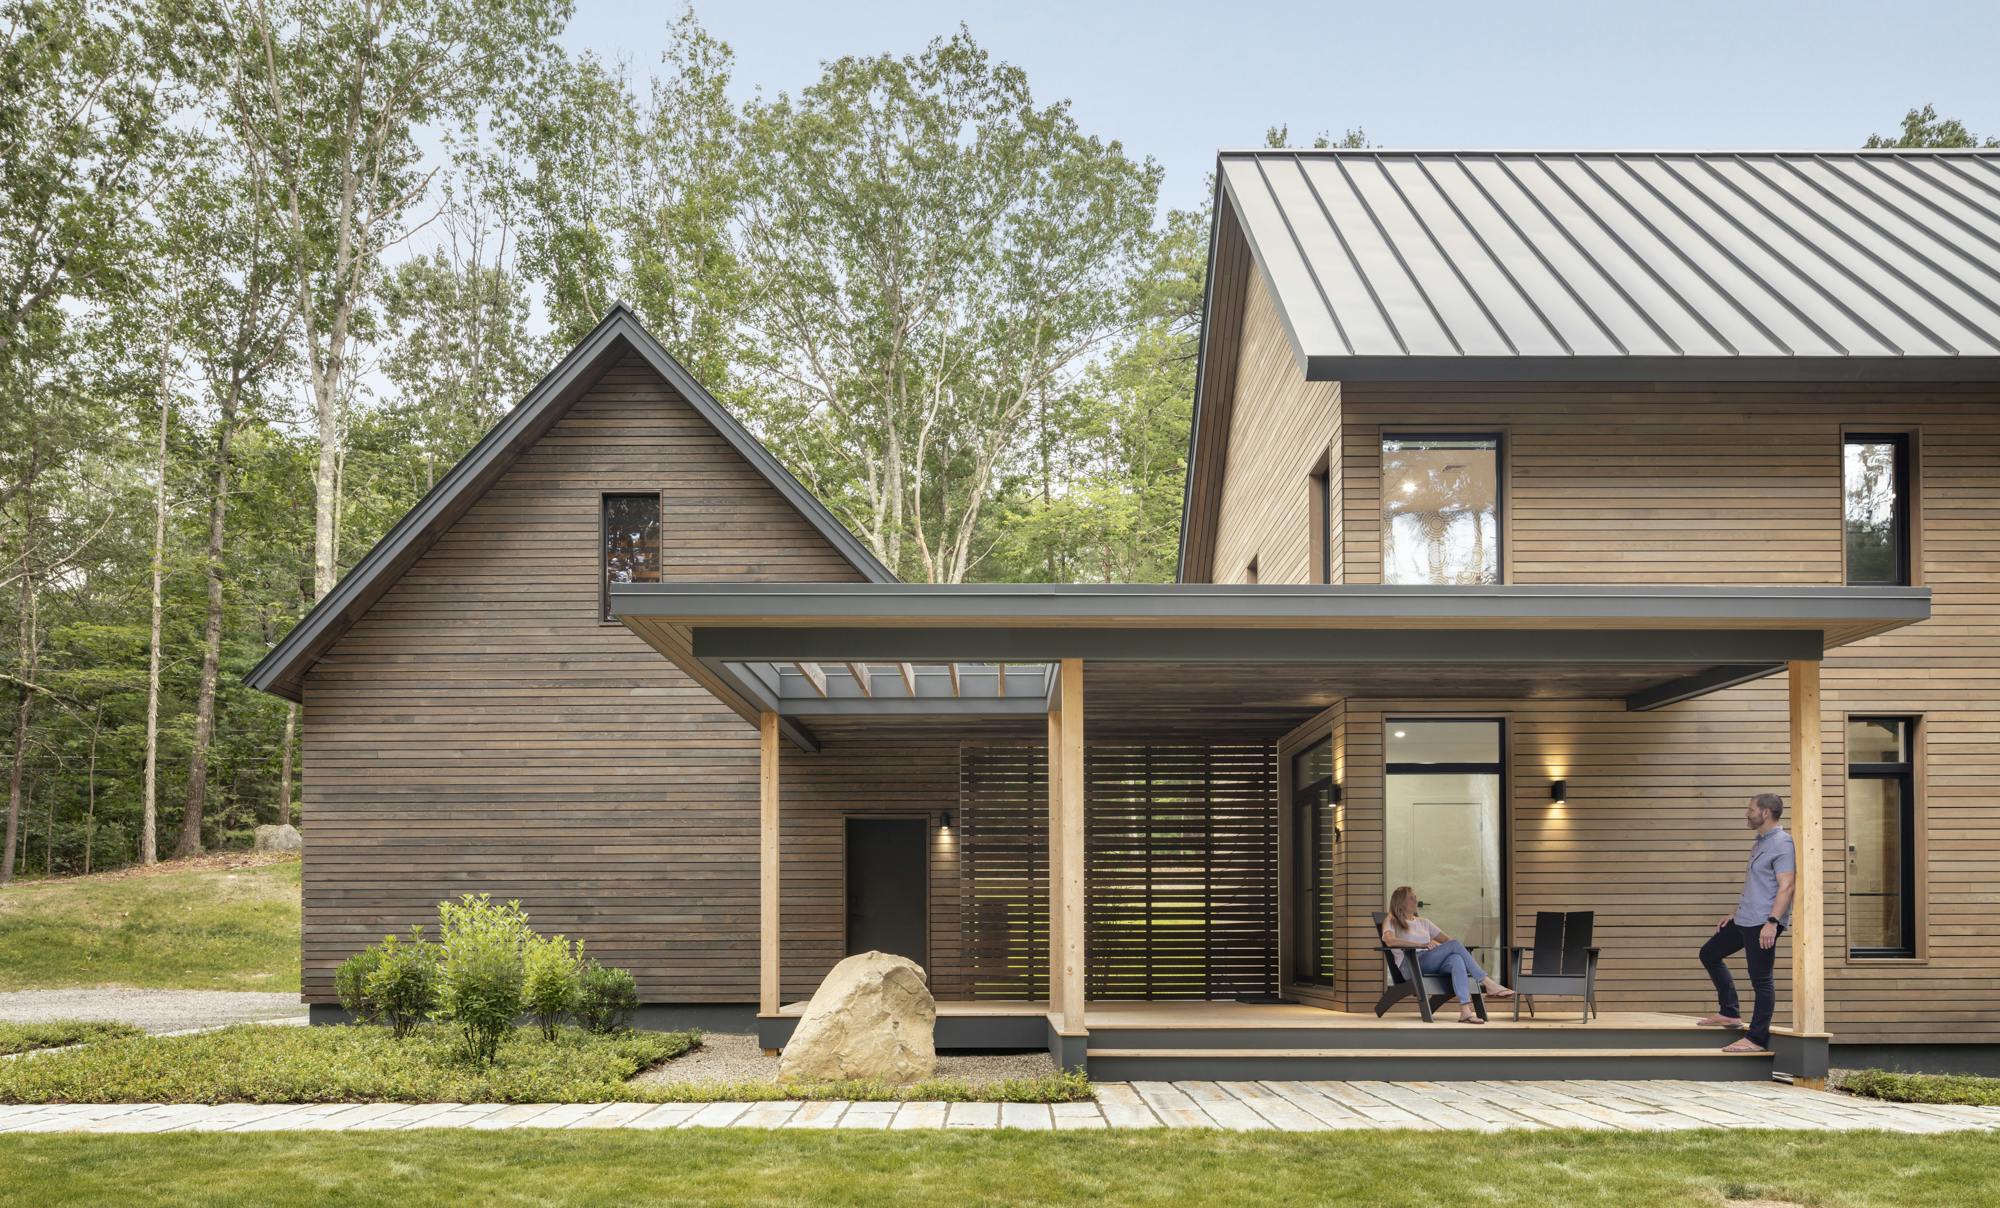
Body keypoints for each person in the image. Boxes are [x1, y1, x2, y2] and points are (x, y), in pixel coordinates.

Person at [1697, 792, 1796, 1054]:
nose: (1747, 813)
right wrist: (1735, 913)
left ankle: (1756, 1039)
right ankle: (1730, 1012)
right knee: (1709, 953)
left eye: (1750, 809)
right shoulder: (1761, 842)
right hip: (1745, 918)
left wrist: (1773, 922)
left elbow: (1786, 886)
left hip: (1763, 922)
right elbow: (1759, 886)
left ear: (1765, 813)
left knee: (1761, 980)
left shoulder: (1783, 844)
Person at [1381, 886, 1515, 1024]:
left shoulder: (1424, 922)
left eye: (1415, 897)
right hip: (1412, 965)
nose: (1416, 901)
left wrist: (1442, 948)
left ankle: (1465, 1011)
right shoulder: (1391, 920)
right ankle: (1488, 983)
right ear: (1400, 902)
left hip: (1430, 961)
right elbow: (1389, 941)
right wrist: (1421, 945)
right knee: (1455, 945)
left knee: (1456, 959)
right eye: (1411, 898)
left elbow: (1447, 941)